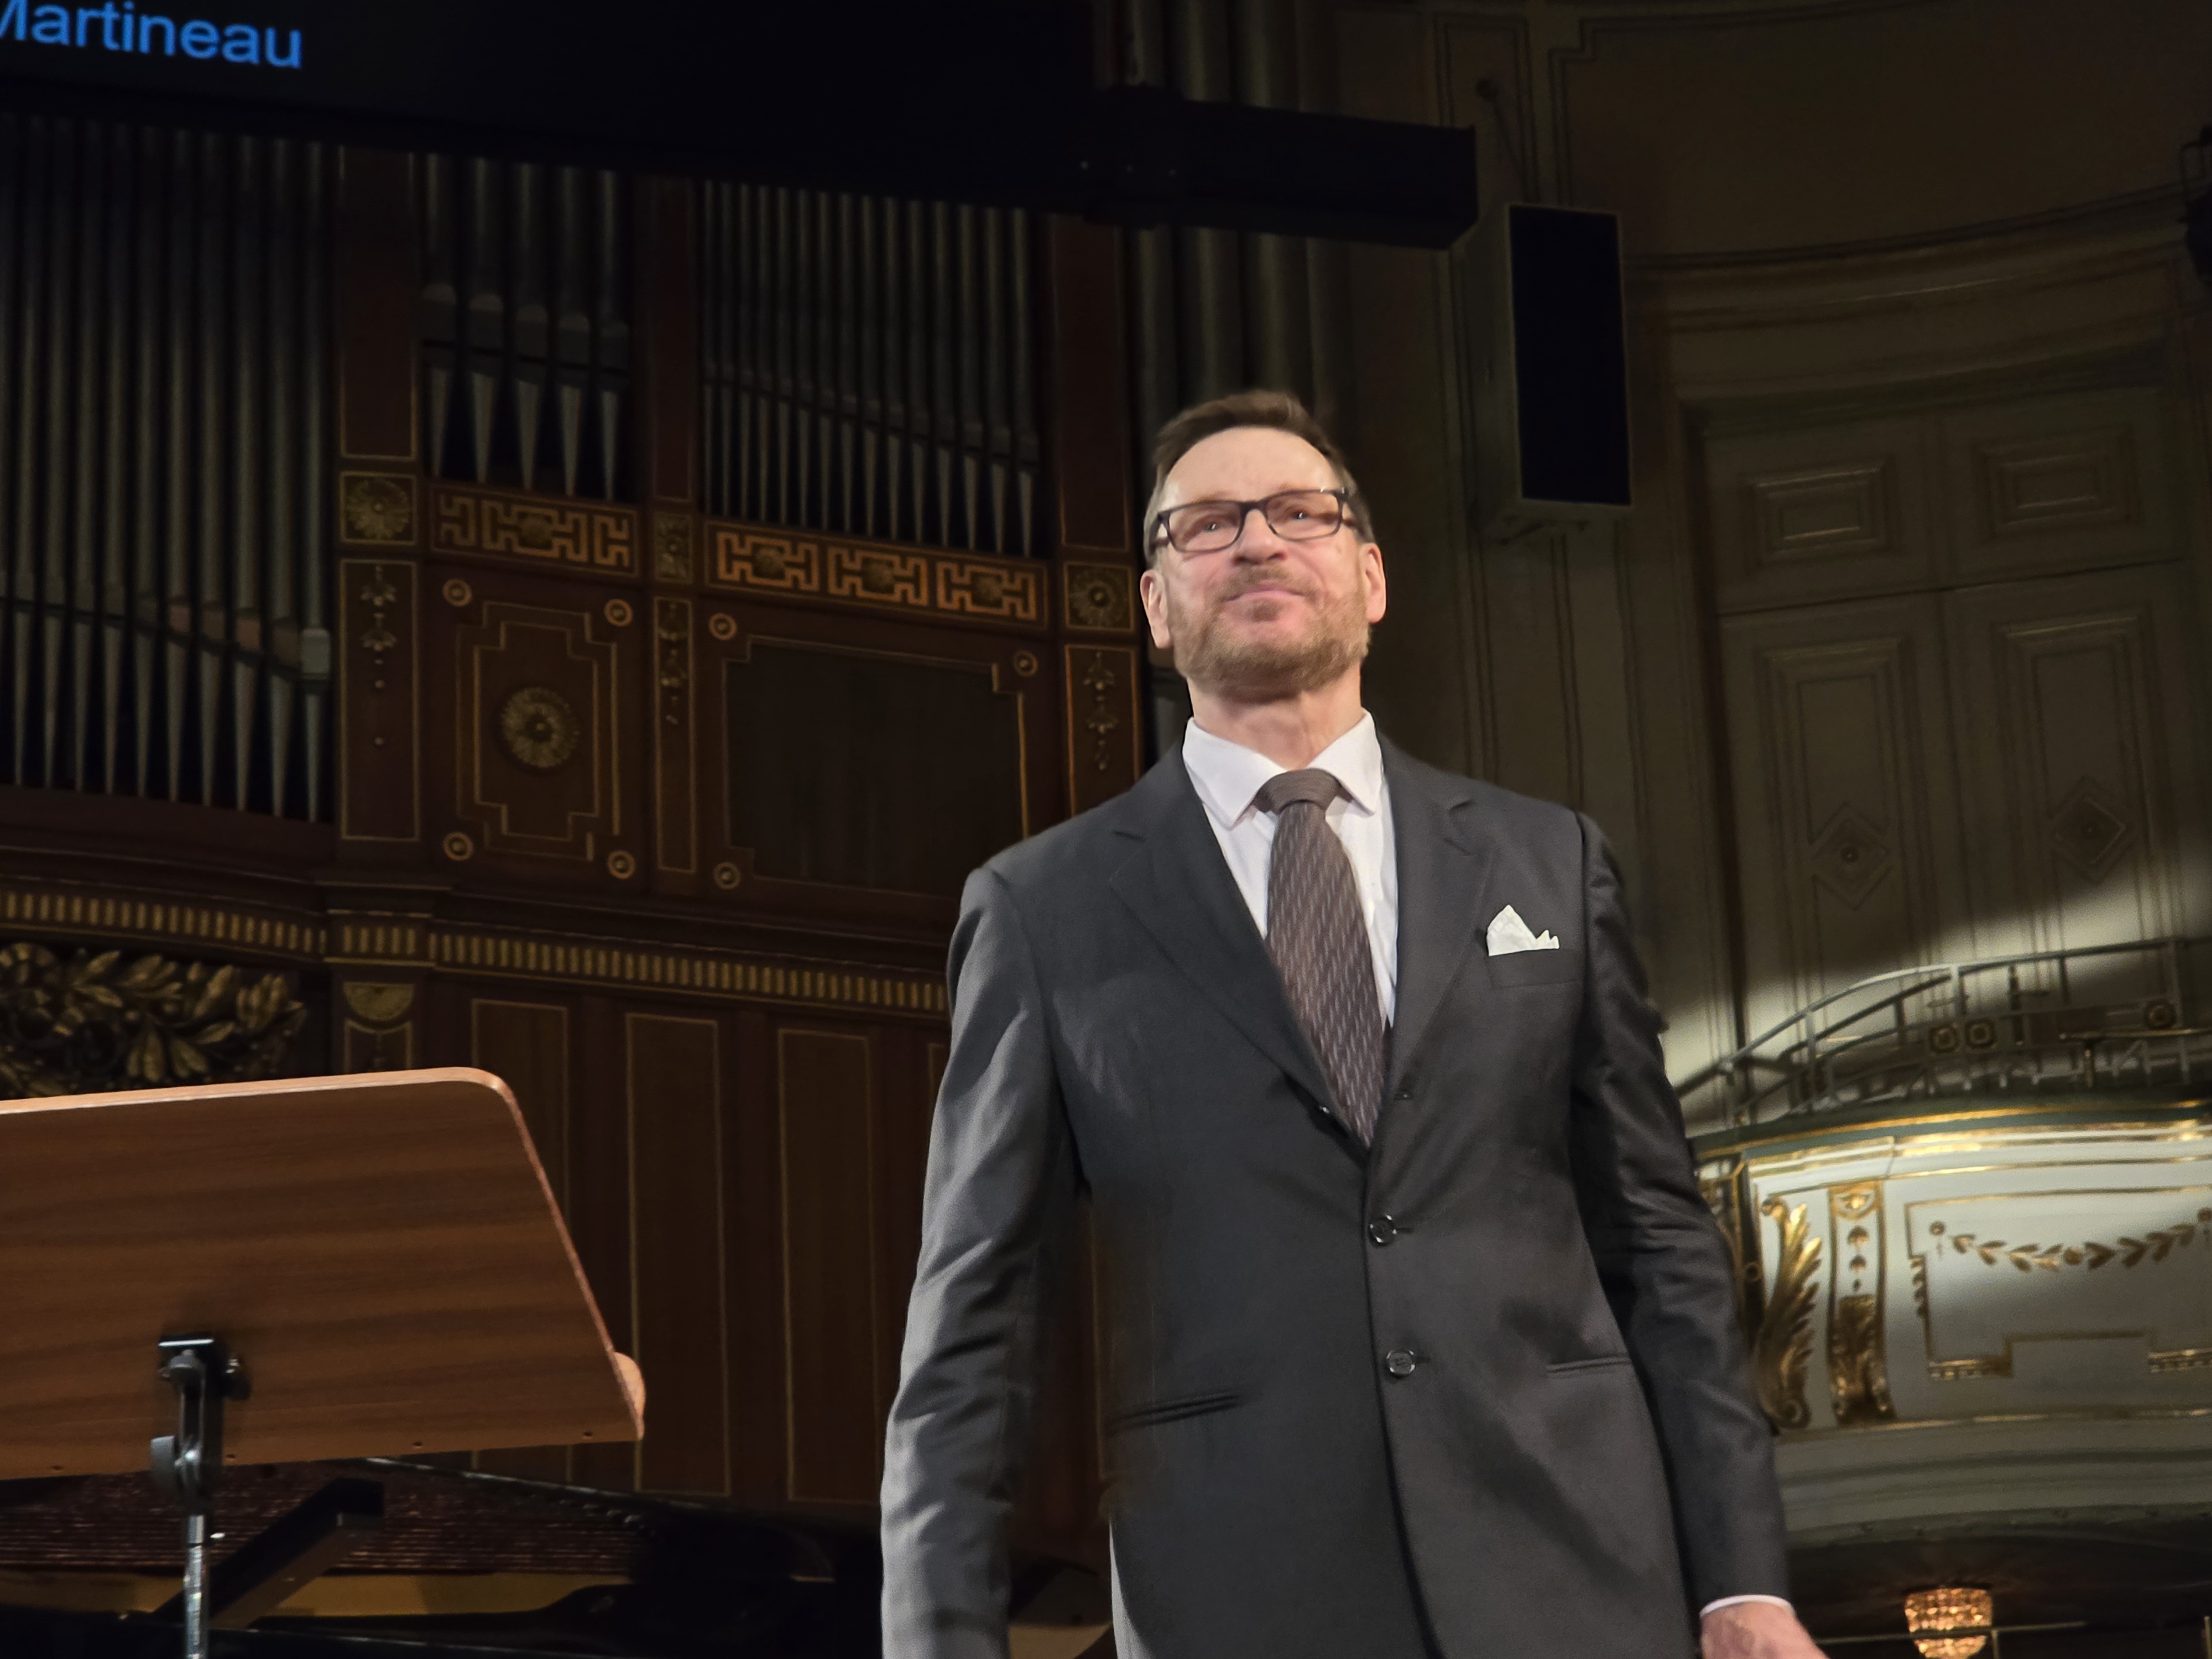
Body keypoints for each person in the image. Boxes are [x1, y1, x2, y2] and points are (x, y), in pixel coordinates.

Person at [880, 390, 1820, 1659]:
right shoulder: (1043, 908)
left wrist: (1739, 1582)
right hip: (1242, 1590)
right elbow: (973, 1319)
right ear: (1154, 606)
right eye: (1206, 523)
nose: (1256, 541)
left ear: (1370, 579)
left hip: (1574, 1569)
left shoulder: (1547, 863)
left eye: (1298, 512)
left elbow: (1659, 1245)